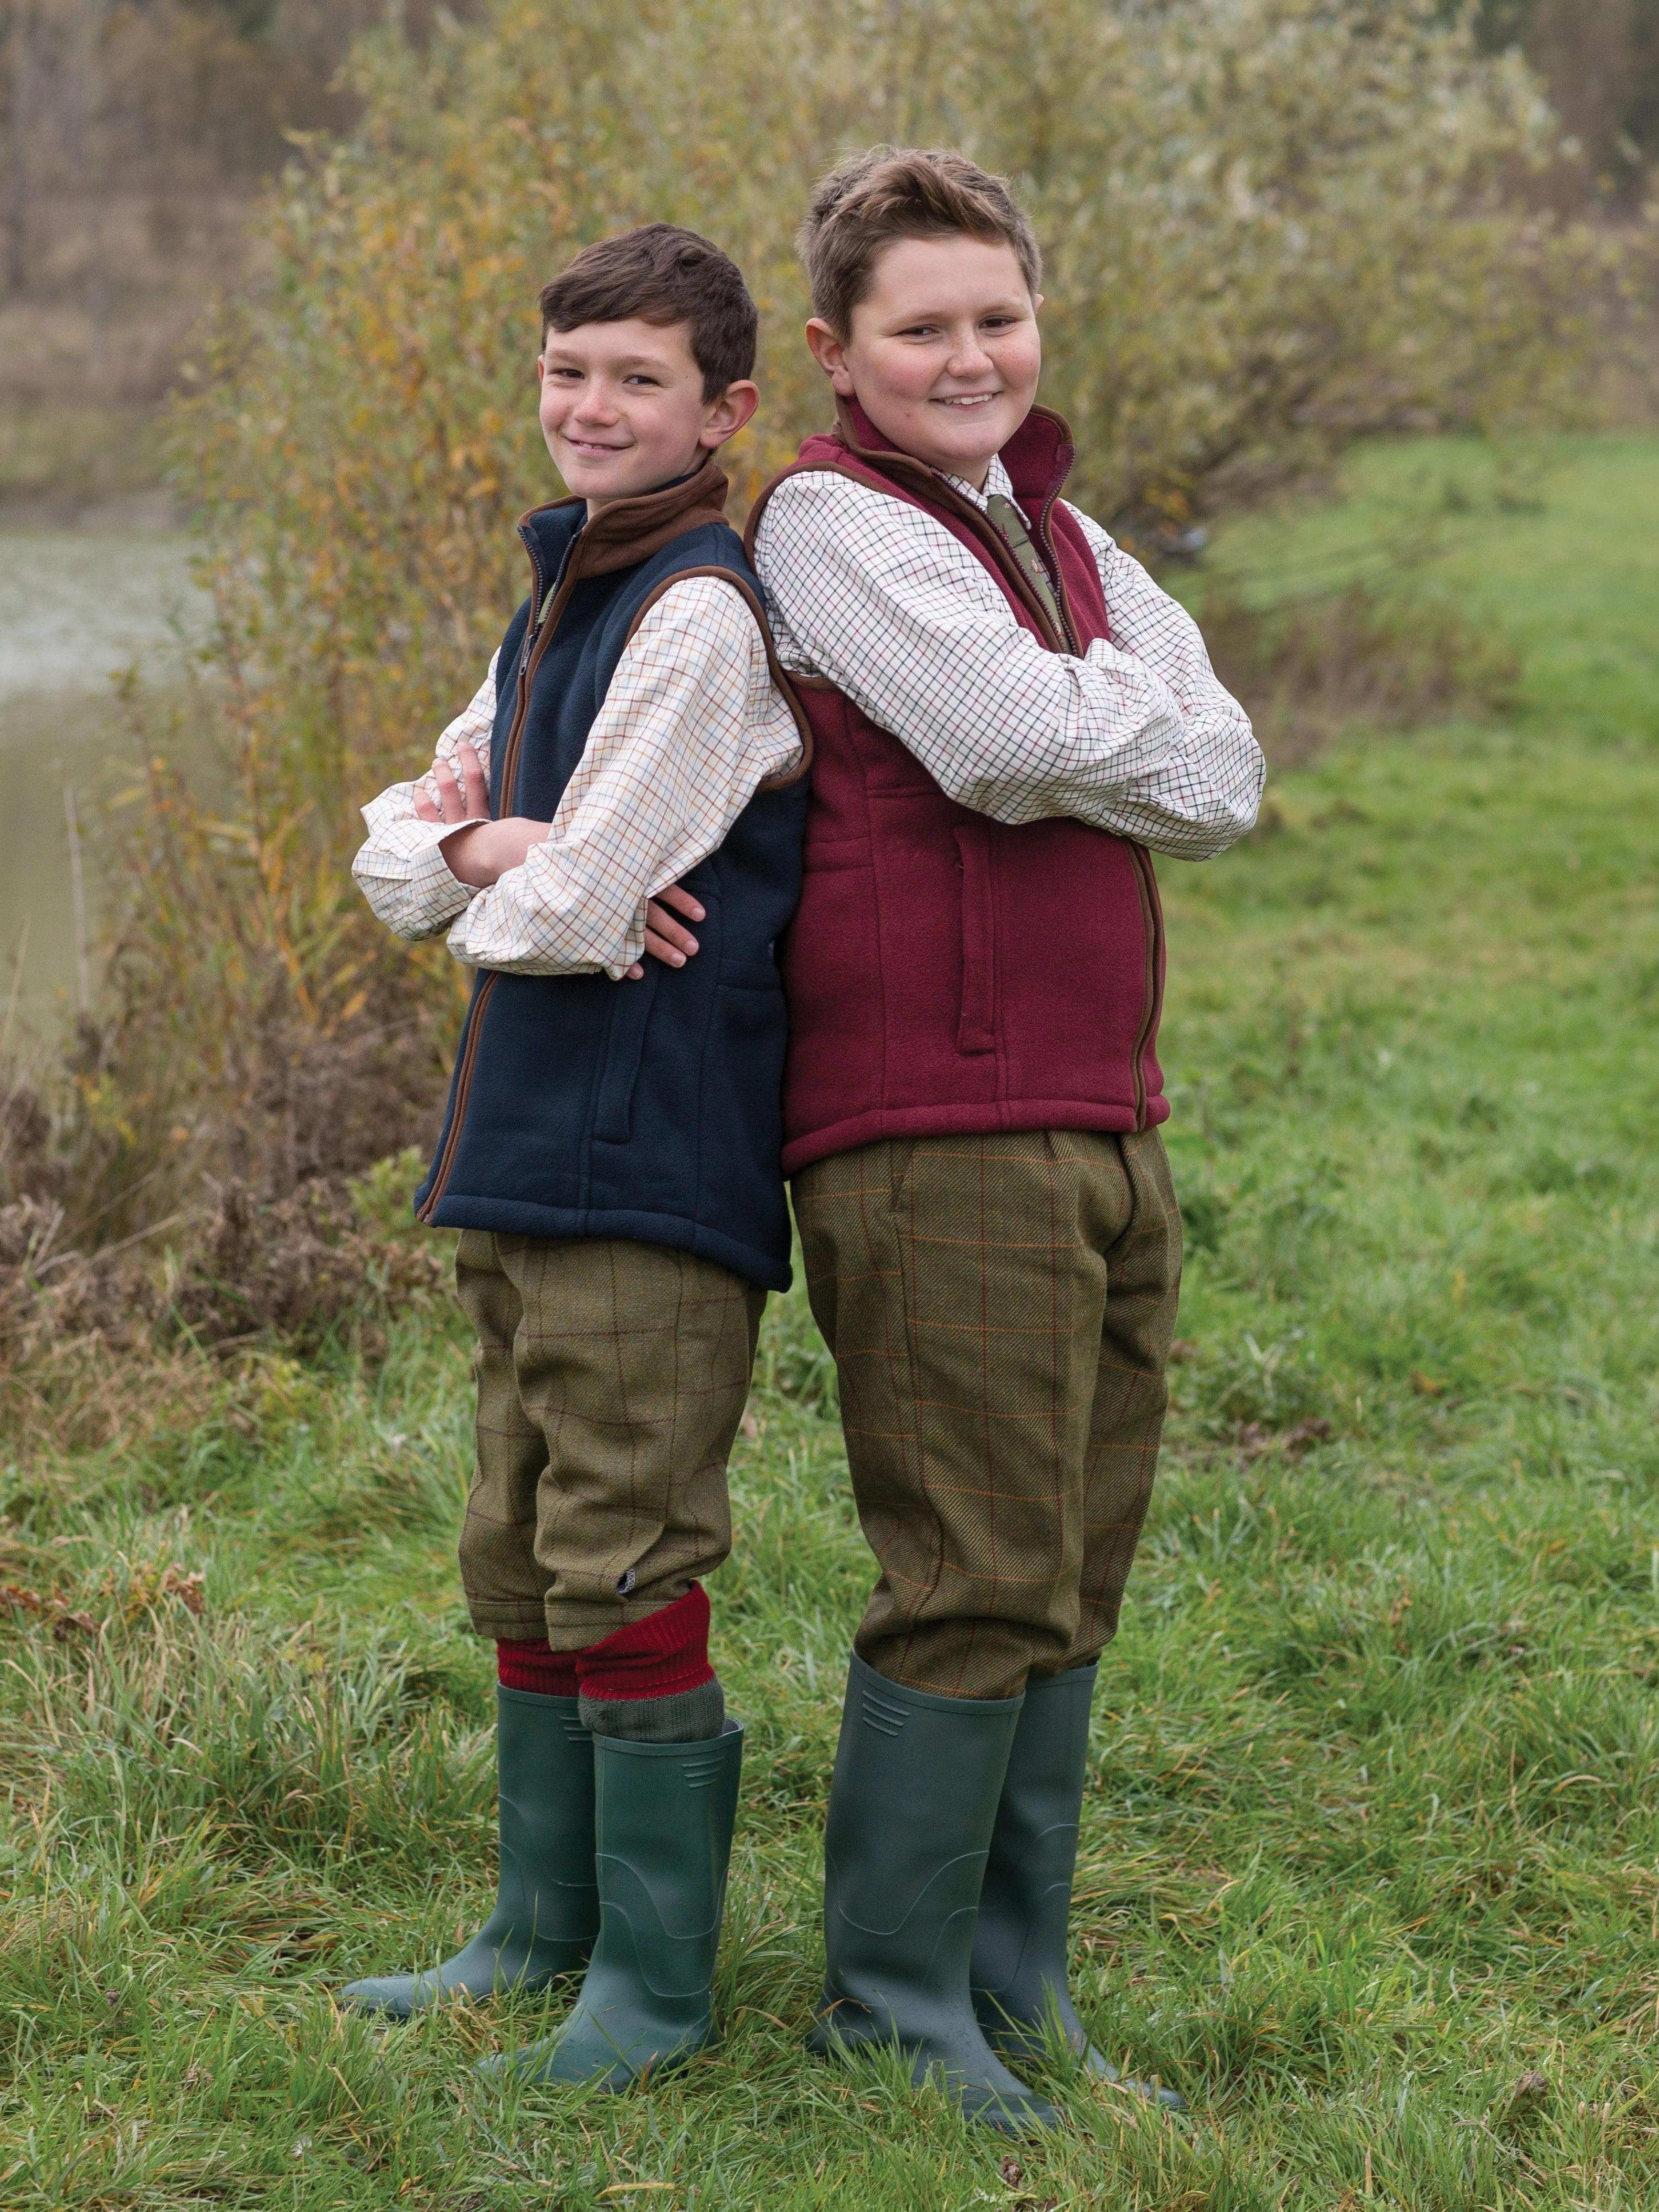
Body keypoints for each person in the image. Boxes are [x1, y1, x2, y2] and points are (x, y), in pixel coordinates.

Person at [744, 148, 1266, 2131]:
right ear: (836, 349)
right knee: (972, 1563)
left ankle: (1010, 1973)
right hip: (928, 1116)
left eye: (998, 318)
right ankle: (890, 2001)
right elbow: (997, 743)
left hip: (1101, 1109)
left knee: (1075, 1562)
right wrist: (1109, 720)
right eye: (923, 327)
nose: (971, 356)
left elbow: (1226, 776)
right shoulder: (824, 522)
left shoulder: (1056, 522)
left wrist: (1108, 716)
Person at [340, 223, 809, 2091]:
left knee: (620, 1552)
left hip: (649, 1159)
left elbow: (585, 906)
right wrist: (480, 852)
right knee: (519, 1548)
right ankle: (537, 1932)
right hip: (526, 1150)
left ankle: (654, 1993)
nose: (590, 407)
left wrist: (544, 873)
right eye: (565, 371)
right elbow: (398, 848)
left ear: (725, 406)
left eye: (633, 376)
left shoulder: (696, 612)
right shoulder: (549, 604)